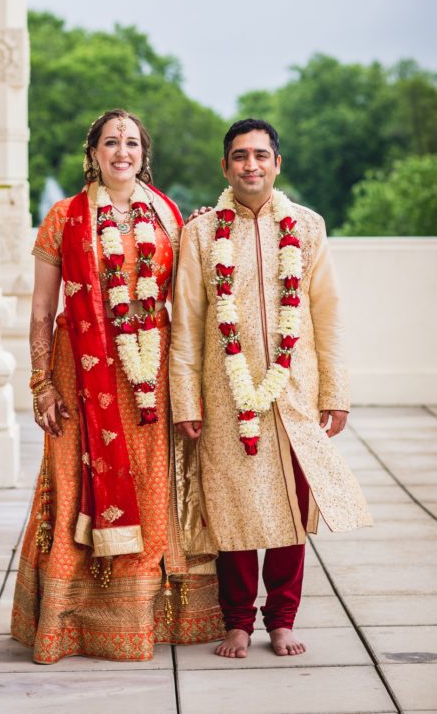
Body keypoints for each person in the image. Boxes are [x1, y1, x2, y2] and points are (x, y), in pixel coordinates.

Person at [11, 108, 224, 664]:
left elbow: (192, 291)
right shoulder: (64, 217)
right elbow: (40, 309)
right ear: (95, 153)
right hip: (78, 373)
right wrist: (40, 384)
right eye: (111, 142)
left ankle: (149, 616)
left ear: (144, 154)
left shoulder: (170, 215)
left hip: (150, 376)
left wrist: (201, 232)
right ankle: (72, 621)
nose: (122, 151)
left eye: (131, 142)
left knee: (154, 483)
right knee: (73, 481)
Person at [169, 118, 372, 659]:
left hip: (294, 390)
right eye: (240, 156)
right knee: (231, 508)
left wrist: (335, 391)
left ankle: (281, 619)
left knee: (289, 507)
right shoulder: (201, 232)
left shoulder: (306, 228)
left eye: (261, 155)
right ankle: (237, 621)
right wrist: (186, 399)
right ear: (225, 166)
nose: (250, 165)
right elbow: (186, 323)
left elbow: (327, 313)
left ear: (277, 164)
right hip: (224, 393)